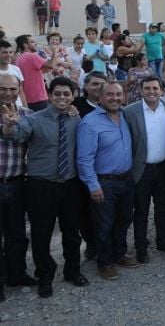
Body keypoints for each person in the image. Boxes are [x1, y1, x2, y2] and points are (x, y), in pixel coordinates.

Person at [2, 77, 88, 297]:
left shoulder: (76, 119)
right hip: (41, 186)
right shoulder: (34, 119)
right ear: (50, 95)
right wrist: (10, 126)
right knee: (41, 235)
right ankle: (45, 276)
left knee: (71, 232)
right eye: (57, 93)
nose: (62, 97)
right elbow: (17, 135)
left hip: (70, 184)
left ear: (73, 96)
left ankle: (72, 270)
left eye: (66, 94)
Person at [77, 82, 139, 281]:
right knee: (104, 225)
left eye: (118, 94)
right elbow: (84, 158)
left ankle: (119, 254)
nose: (115, 98)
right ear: (100, 97)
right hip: (104, 182)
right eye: (110, 95)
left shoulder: (125, 116)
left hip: (126, 179)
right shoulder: (89, 122)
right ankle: (104, 263)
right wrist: (93, 185)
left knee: (124, 220)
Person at [124, 77, 165, 264]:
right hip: (142, 169)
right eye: (147, 88)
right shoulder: (130, 112)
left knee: (162, 208)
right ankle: (141, 248)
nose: (151, 91)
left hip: (164, 166)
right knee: (141, 211)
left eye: (155, 88)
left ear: (161, 90)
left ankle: (163, 241)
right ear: (141, 90)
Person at [0, 75, 38, 302]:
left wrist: (71, 109)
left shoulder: (28, 115)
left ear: (19, 90)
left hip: (17, 184)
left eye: (12, 89)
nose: (7, 93)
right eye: (2, 89)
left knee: (17, 234)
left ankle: (17, 274)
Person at [15, 34, 59, 111]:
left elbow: (35, 71)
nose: (35, 44)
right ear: (25, 45)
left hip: (27, 99)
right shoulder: (31, 56)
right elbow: (51, 65)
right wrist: (54, 52)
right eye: (32, 42)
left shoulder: (19, 58)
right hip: (38, 98)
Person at [0, 40, 27, 108]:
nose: (8, 55)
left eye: (10, 52)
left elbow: (21, 91)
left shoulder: (16, 69)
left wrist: (25, 108)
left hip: (18, 108)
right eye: (4, 52)